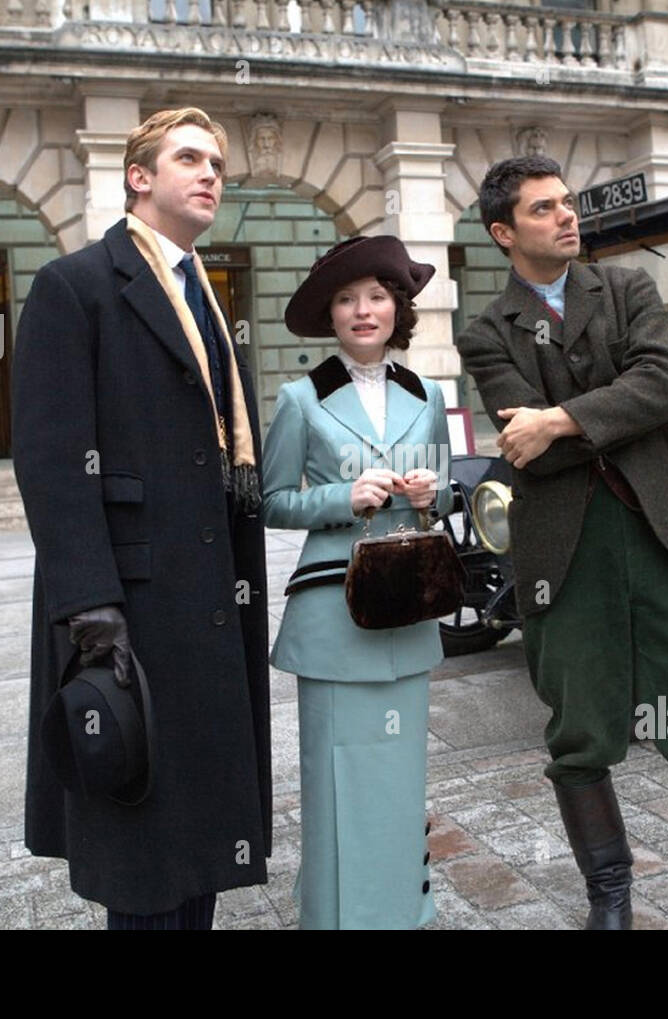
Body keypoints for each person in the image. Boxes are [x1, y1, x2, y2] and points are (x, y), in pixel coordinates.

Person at [455, 155, 668, 931]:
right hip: (562, 554)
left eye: (566, 202)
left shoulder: (628, 288)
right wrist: (610, 415)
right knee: (580, 734)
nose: (566, 215)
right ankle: (610, 899)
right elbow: (527, 446)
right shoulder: (485, 332)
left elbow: (663, 382)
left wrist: (560, 417)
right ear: (504, 233)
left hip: (658, 536)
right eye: (543, 208)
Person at [12, 107, 272, 930]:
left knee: (200, 830)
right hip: (130, 603)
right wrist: (89, 606)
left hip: (210, 595)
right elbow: (52, 461)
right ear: (138, 176)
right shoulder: (76, 285)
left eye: (218, 165)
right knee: (143, 842)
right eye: (189, 158)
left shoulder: (204, 294)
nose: (209, 175)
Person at [261, 236, 453, 929]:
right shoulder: (300, 398)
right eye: (346, 299)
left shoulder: (428, 395)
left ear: (397, 308)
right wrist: (342, 497)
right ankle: (334, 914)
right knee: (336, 774)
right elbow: (271, 501)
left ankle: (402, 908)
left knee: (399, 772)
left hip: (408, 606)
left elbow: (448, 496)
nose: (363, 310)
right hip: (333, 619)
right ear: (330, 315)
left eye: (376, 296)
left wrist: (431, 493)